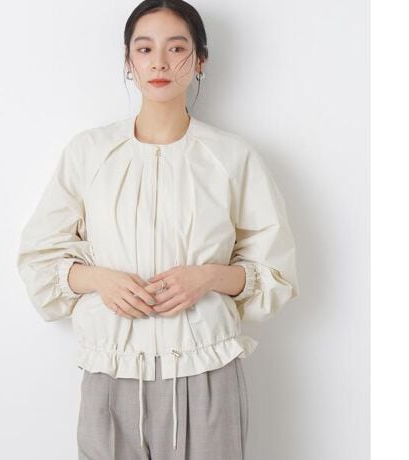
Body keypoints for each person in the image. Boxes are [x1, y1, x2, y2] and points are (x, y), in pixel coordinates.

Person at [16, 1, 300, 459]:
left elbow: (275, 274)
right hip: (111, 371)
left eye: (177, 48)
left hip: (207, 371)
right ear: (128, 60)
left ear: (200, 59)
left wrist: (205, 277)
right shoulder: (89, 152)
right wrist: (101, 280)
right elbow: (39, 259)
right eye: (145, 48)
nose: (160, 62)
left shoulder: (232, 157)